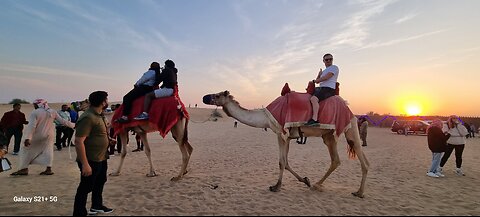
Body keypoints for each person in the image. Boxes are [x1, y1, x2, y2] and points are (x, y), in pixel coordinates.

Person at [73, 91, 114, 216]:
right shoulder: (88, 117)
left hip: (101, 157)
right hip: (90, 159)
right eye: (106, 100)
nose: (107, 102)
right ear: (102, 102)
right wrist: (85, 164)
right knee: (86, 187)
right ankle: (79, 212)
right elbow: (79, 141)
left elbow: (98, 133)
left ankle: (96, 206)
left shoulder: (99, 115)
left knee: (100, 181)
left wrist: (109, 140)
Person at [10, 99, 74, 176]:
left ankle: (24, 169)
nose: (34, 106)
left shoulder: (35, 112)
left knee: (25, 150)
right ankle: (48, 169)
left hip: (37, 135)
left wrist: (28, 138)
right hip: (49, 135)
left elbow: (32, 126)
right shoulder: (52, 111)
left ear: (39, 104)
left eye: (35, 105)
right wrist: (74, 125)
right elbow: (63, 121)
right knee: (48, 151)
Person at [305, 54, 339, 126]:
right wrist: (319, 74)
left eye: (330, 59)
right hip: (320, 89)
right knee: (307, 97)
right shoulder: (323, 71)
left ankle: (315, 119)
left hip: (328, 89)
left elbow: (327, 77)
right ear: (323, 61)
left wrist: (314, 80)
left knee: (314, 99)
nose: (329, 61)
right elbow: (318, 81)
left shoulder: (334, 67)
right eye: (327, 59)